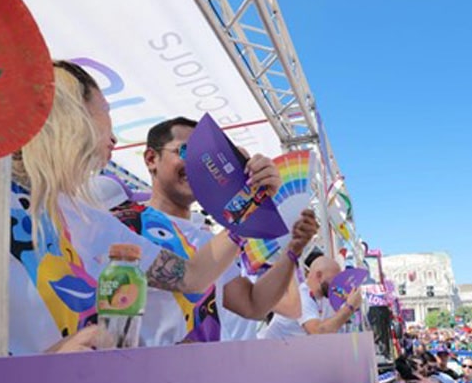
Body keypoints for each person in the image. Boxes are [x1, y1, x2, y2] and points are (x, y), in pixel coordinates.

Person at [0, 61, 242, 360]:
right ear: (73, 113)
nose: (113, 135)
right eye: (105, 111)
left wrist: (247, 204)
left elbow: (191, 275)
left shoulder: (87, 217)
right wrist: (12, 369)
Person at [112, 116, 318, 345]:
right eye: (184, 152)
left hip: (207, 366)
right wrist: (248, 204)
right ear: (152, 159)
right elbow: (191, 278)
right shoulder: (126, 224)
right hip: (139, 365)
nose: (195, 164)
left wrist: (293, 249)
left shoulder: (209, 241)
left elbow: (252, 304)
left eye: (201, 156)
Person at [258, 254, 360, 339]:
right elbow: (317, 332)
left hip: (288, 350)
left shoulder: (325, 297)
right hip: (269, 351)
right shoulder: (303, 296)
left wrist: (348, 306)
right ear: (319, 276)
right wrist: (349, 307)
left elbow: (333, 326)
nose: (337, 284)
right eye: (335, 279)